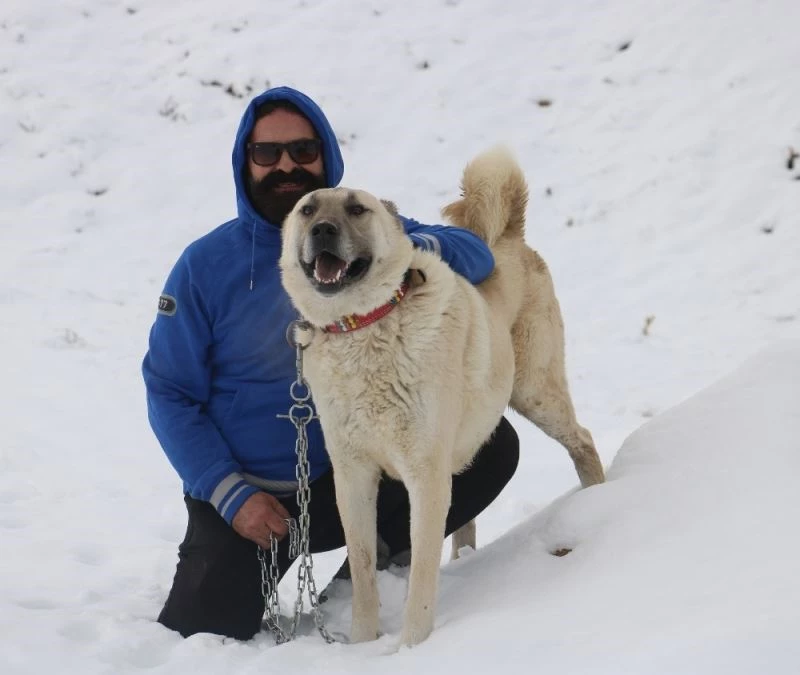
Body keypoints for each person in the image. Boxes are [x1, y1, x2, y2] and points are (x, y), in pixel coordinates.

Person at [142, 86, 520, 641]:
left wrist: (408, 248)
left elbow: (477, 256)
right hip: (251, 500)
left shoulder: (363, 226)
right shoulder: (205, 265)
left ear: (326, 155)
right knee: (203, 627)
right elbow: (169, 392)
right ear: (245, 162)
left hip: (342, 476)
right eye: (267, 153)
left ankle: (370, 569)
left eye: (302, 150)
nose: (286, 166)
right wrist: (229, 493)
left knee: (492, 448)